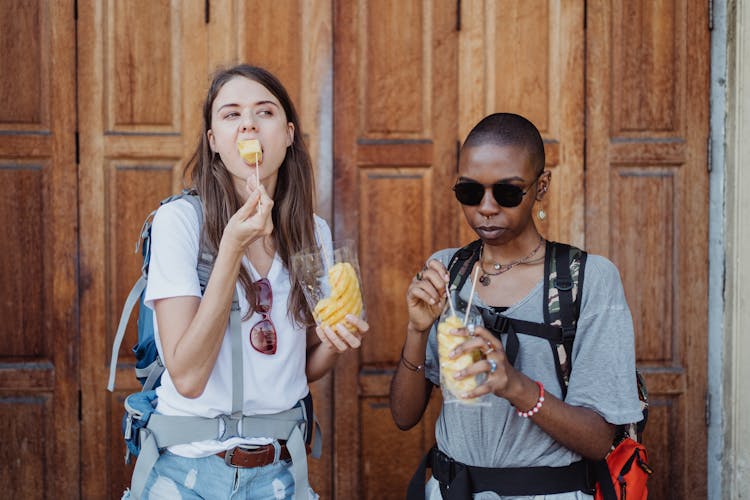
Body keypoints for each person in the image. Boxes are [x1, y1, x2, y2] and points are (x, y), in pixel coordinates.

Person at [130, 64, 368, 499]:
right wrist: (231, 250)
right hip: (187, 473)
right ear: (214, 142)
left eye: (265, 112)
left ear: (289, 134)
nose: (248, 124)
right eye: (230, 114)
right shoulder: (180, 222)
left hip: (280, 474)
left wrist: (337, 340)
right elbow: (187, 378)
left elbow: (301, 370)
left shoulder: (311, 232)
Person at [390, 112, 643, 499]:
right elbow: (405, 417)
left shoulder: (587, 280)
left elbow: (596, 439)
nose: (487, 207)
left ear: (541, 187)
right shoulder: (448, 269)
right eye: (470, 192)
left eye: (507, 193)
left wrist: (514, 386)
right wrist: (416, 330)